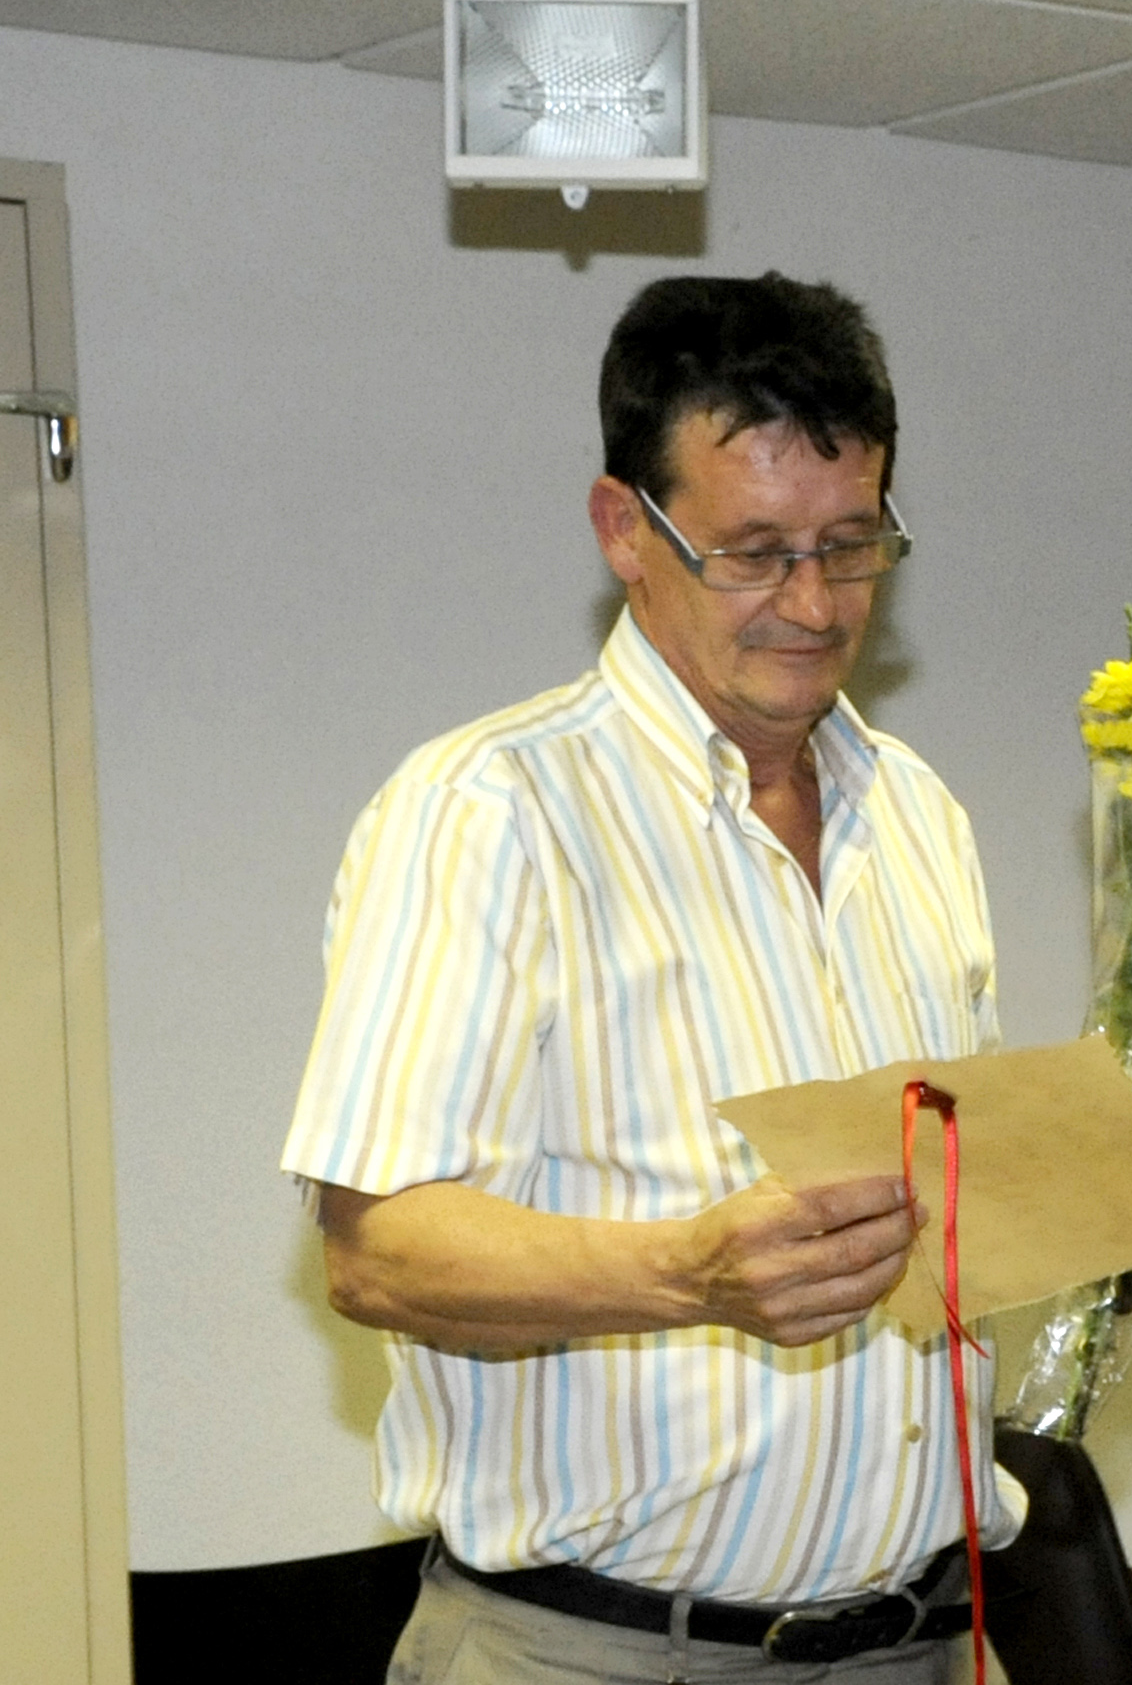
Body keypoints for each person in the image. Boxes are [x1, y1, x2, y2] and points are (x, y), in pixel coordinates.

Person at [284, 273, 1014, 1681]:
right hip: (592, 1652)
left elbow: (932, 1236)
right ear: (626, 528)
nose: (812, 603)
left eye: (852, 546)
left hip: (921, 1642)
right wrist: (688, 1274)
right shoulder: (490, 812)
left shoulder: (921, 814)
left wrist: (1099, 1188)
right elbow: (376, 1253)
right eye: (752, 553)